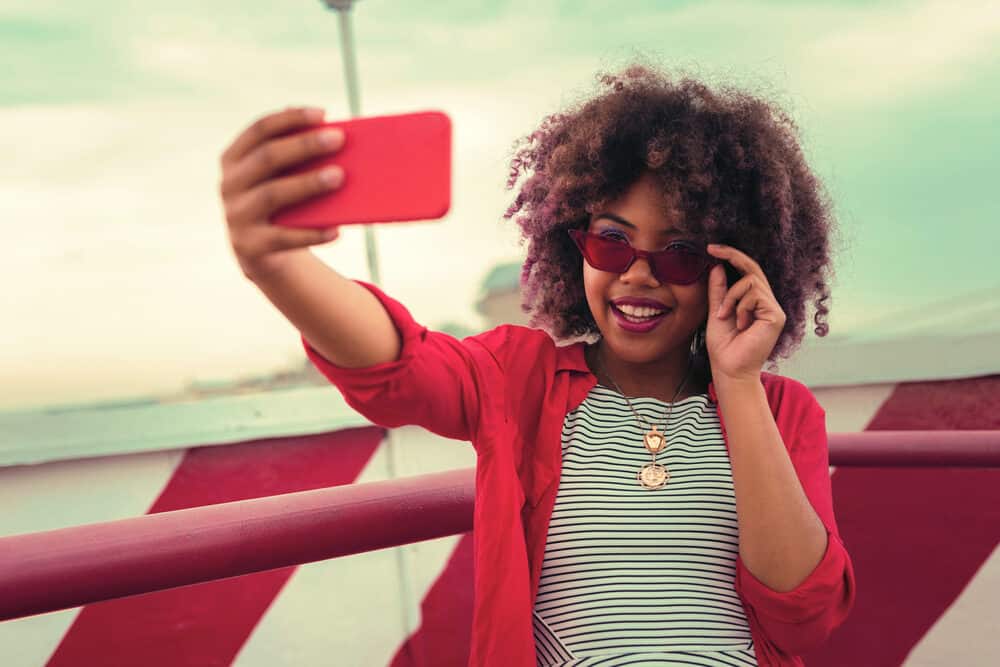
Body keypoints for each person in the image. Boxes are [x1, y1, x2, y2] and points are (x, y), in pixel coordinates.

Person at [218, 63, 856, 667]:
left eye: (680, 252)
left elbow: (804, 614)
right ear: (571, 244)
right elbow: (400, 367)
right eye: (612, 240)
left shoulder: (780, 411)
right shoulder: (516, 378)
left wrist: (739, 383)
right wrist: (277, 267)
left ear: (736, 267)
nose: (638, 273)